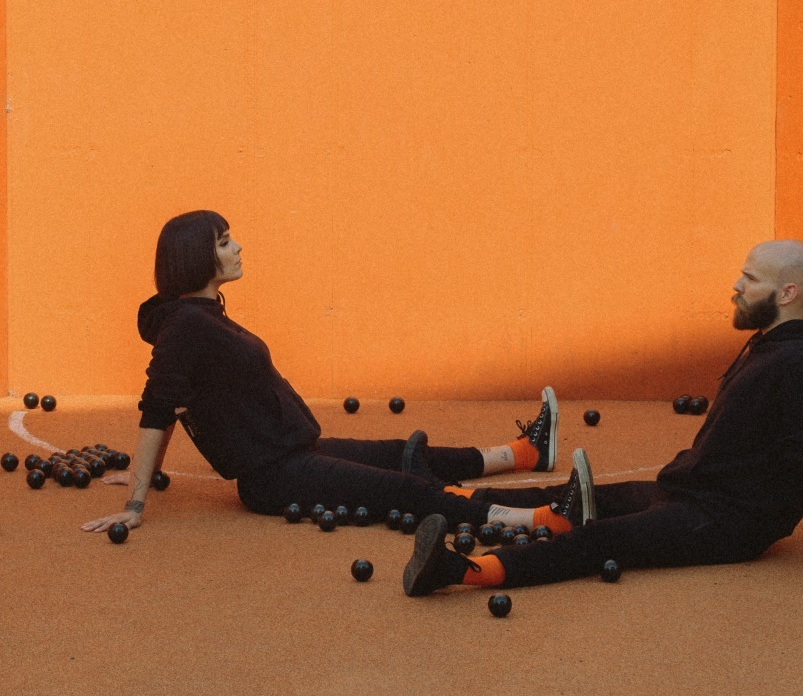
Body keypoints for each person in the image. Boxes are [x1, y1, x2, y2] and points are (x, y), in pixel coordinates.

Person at [403, 240, 803, 595]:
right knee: (582, 498)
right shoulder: (777, 341)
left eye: (750, 279)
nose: (737, 285)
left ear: (787, 293)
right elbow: (793, 447)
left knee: (599, 541)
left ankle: (462, 570)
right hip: (693, 489)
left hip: (724, 524)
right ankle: (450, 500)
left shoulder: (795, 367)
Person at [82, 210, 585, 538]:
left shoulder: (200, 315)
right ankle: (541, 518)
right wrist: (135, 502)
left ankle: (525, 453)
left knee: (402, 453)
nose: (238, 249)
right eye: (225, 242)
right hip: (275, 477)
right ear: (198, 256)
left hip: (296, 450)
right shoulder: (186, 326)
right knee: (406, 491)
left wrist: (146, 472)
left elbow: (174, 404)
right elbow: (159, 407)